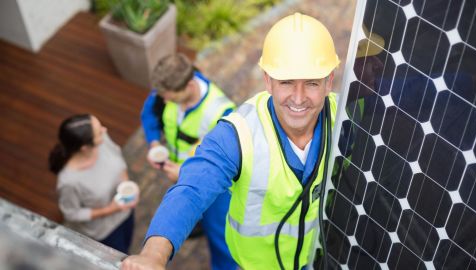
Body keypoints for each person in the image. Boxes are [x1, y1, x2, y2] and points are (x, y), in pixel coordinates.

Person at [123, 12, 340, 270]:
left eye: (313, 83)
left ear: (330, 82)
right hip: (250, 265)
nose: (299, 97)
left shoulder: (345, 118)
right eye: (287, 82)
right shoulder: (237, 134)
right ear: (268, 81)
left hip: (311, 258)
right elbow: (191, 190)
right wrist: (153, 255)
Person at [140, 53, 237, 270]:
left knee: (221, 237)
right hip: (179, 171)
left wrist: (186, 174)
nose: (164, 101)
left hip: (213, 188)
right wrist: (154, 142)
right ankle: (196, 221)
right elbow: (149, 113)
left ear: (190, 85)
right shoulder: (168, 88)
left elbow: (225, 165)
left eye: (170, 97)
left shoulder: (222, 113)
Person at [48, 114, 138, 254]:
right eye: (99, 132)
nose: (105, 129)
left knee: (128, 245)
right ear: (85, 148)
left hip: (125, 212)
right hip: (105, 232)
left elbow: (117, 155)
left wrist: (126, 185)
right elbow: (72, 214)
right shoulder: (69, 181)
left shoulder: (102, 141)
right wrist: (111, 209)